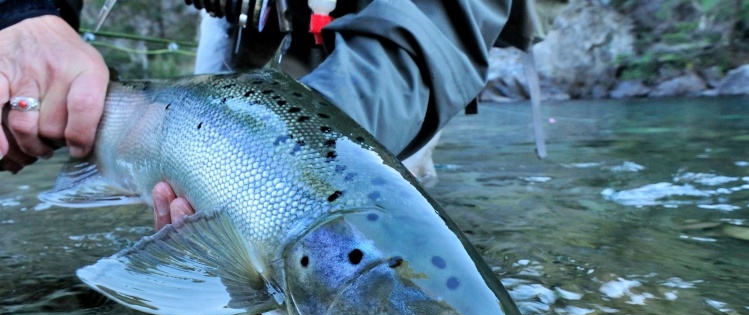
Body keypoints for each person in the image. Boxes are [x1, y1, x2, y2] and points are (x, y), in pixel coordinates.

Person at [0, 0, 539, 229]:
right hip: (254, 17)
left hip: (393, 30)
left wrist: (267, 174)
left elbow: (428, 31)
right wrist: (26, 19)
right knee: (187, 202)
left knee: (376, 201)